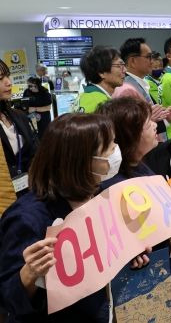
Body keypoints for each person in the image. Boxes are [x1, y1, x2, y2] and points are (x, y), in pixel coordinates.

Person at [0, 113, 149, 322]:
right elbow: (9, 298)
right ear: (81, 160)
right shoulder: (27, 219)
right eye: (109, 147)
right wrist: (29, 274)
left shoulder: (100, 192)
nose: (116, 151)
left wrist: (129, 253)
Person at [96, 97, 171, 323]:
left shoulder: (140, 166)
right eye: (147, 123)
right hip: (157, 287)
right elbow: (142, 253)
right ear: (128, 137)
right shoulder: (117, 187)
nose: (155, 125)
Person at [112, 38, 171, 140]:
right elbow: (128, 130)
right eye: (148, 57)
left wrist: (165, 117)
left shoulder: (136, 84)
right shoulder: (127, 90)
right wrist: (150, 119)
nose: (152, 61)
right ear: (133, 61)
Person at [0, 60, 38, 198]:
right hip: (5, 199)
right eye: (0, 79)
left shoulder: (19, 116)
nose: (8, 83)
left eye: (7, 76)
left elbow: (35, 150)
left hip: (31, 192)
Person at [77, 46, 126, 113]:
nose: (125, 70)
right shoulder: (101, 104)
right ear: (101, 72)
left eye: (123, 65)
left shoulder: (86, 95)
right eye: (119, 66)